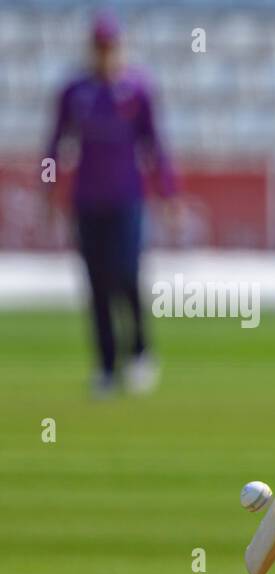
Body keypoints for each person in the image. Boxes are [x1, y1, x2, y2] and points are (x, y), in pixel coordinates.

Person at [46, 11, 176, 397]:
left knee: (126, 274)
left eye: (111, 45)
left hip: (127, 200)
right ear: (92, 47)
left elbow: (155, 146)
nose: (105, 53)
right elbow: (54, 146)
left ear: (119, 46)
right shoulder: (74, 92)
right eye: (99, 46)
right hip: (87, 201)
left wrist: (168, 194)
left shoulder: (137, 89)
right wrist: (47, 189)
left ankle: (138, 353)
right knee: (96, 283)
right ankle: (105, 366)